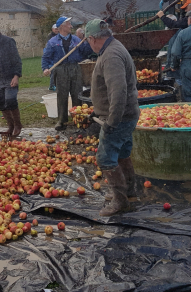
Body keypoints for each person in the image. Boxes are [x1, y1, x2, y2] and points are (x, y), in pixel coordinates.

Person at [85, 19, 140, 216]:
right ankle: (130, 190)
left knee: (105, 158)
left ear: (92, 39)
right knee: (123, 153)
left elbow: (118, 91)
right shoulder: (114, 48)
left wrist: (111, 122)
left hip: (120, 117)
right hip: (125, 114)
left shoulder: (110, 56)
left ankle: (120, 201)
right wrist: (97, 110)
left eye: (87, 41)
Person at [42, 16, 87, 131]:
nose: (71, 26)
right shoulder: (53, 42)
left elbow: (85, 51)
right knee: (62, 95)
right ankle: (62, 120)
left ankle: (78, 119)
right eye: (68, 24)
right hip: (60, 69)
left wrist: (87, 41)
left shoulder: (76, 40)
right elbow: (46, 57)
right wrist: (45, 68)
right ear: (62, 26)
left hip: (75, 68)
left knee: (77, 94)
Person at [47, 24, 59, 91]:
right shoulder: (50, 36)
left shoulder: (59, 35)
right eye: (55, 29)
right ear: (52, 29)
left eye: (57, 29)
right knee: (53, 70)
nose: (57, 30)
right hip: (52, 56)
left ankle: (55, 84)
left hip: (57, 56)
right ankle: (51, 85)